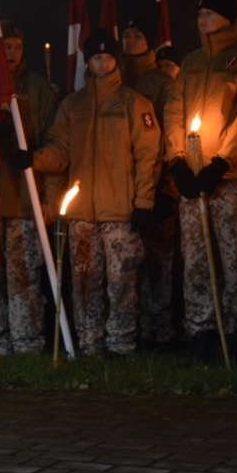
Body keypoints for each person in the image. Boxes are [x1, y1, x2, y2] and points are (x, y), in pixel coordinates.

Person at [22, 28, 160, 356]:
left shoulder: (133, 103)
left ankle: (122, 343)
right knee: (84, 282)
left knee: (122, 282)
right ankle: (89, 343)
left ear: (117, 61)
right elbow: (60, 151)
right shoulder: (72, 106)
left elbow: (149, 155)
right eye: (96, 57)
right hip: (82, 215)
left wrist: (144, 201)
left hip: (120, 214)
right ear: (88, 61)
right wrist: (35, 159)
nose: (102, 63)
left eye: (108, 57)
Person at [162, 0, 237, 364]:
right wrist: (177, 159)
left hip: (231, 180)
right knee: (195, 260)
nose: (201, 18)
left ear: (228, 18)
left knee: (236, 259)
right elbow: (174, 111)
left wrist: (221, 162)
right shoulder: (192, 62)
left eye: (209, 12)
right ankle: (203, 333)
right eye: (199, 12)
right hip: (193, 179)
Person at [0, 21, 58, 356]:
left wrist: (48, 197)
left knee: (23, 277)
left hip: (21, 200)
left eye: (17, 46)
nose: (12, 53)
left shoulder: (38, 89)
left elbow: (55, 143)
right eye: (6, 46)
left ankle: (27, 342)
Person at [120, 16, 177, 350]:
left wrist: (166, 189)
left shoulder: (161, 83)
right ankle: (132, 329)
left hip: (156, 186)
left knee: (159, 262)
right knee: (126, 263)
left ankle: (161, 330)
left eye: (137, 35)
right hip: (122, 188)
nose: (129, 41)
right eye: (125, 35)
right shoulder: (115, 79)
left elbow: (169, 139)